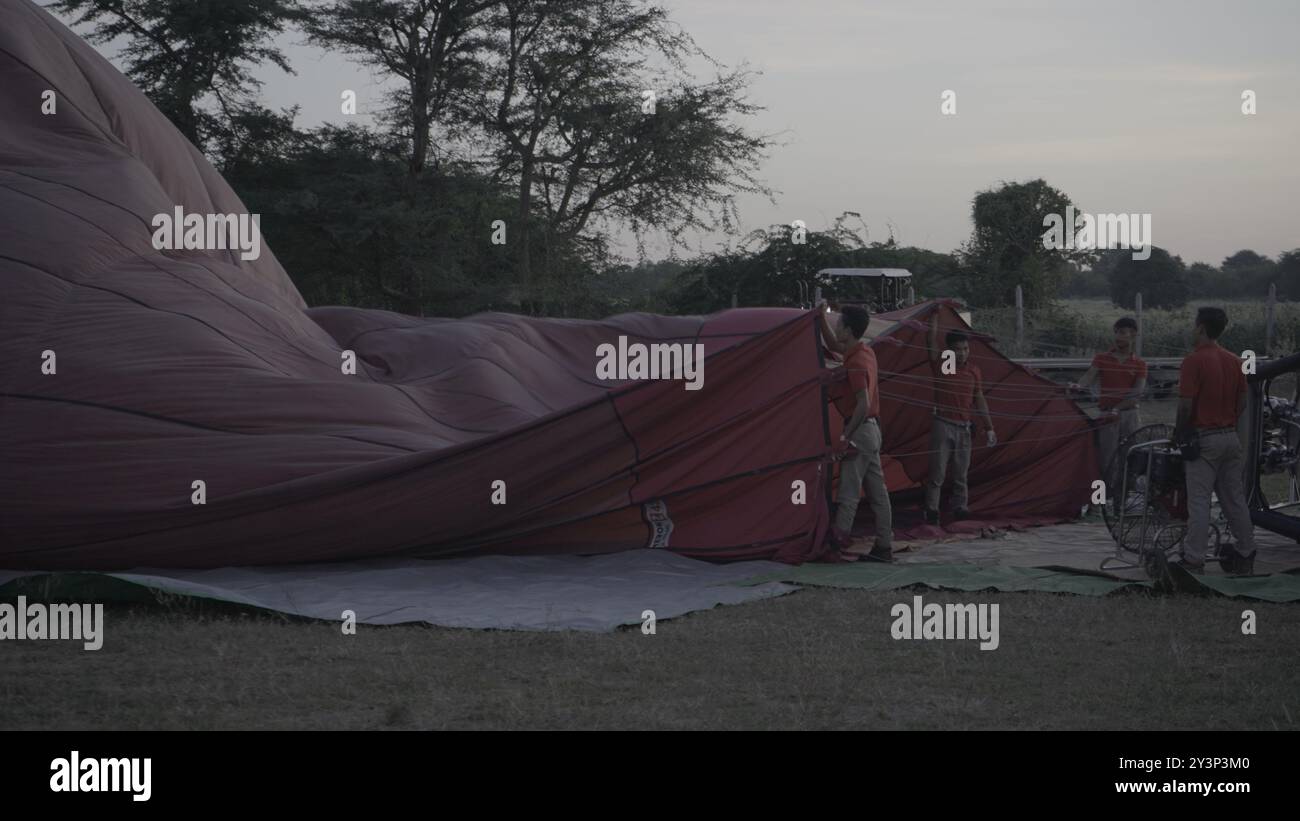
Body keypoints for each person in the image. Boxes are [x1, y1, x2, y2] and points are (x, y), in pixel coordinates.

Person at [1171, 307, 1256, 574]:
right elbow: (1242, 402)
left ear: (1200, 328)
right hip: (1230, 437)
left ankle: (1194, 558)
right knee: (1234, 500)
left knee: (1199, 501)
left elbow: (1185, 405)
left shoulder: (1193, 361)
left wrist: (1178, 432)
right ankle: (1246, 551)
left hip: (1204, 440)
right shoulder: (1234, 361)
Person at [818, 301, 893, 561]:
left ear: (848, 330)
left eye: (839, 324)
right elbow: (835, 346)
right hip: (872, 432)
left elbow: (862, 404)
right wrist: (820, 319)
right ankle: (884, 545)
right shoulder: (864, 352)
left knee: (849, 493)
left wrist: (845, 436)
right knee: (878, 493)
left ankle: (836, 546)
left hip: (860, 431)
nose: (836, 327)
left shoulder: (856, 364)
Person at [923, 310, 995, 524]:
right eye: (957, 350)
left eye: (965, 349)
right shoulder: (943, 365)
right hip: (943, 424)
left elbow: (979, 399)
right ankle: (931, 510)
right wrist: (934, 316)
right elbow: (930, 341)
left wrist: (989, 427)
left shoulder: (973, 370)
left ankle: (960, 508)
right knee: (937, 473)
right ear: (949, 351)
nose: (962, 353)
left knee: (961, 474)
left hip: (964, 427)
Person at [1072, 317, 1147, 478]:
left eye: (1122, 333)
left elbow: (1136, 395)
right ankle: (1103, 498)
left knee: (1130, 457)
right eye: (1116, 333)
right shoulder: (1102, 358)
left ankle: (1124, 497)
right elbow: (1088, 376)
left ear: (1133, 334)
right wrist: (1077, 386)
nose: (1118, 337)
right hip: (1106, 415)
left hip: (1129, 415)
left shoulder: (1140, 364)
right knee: (1105, 460)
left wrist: (1117, 409)